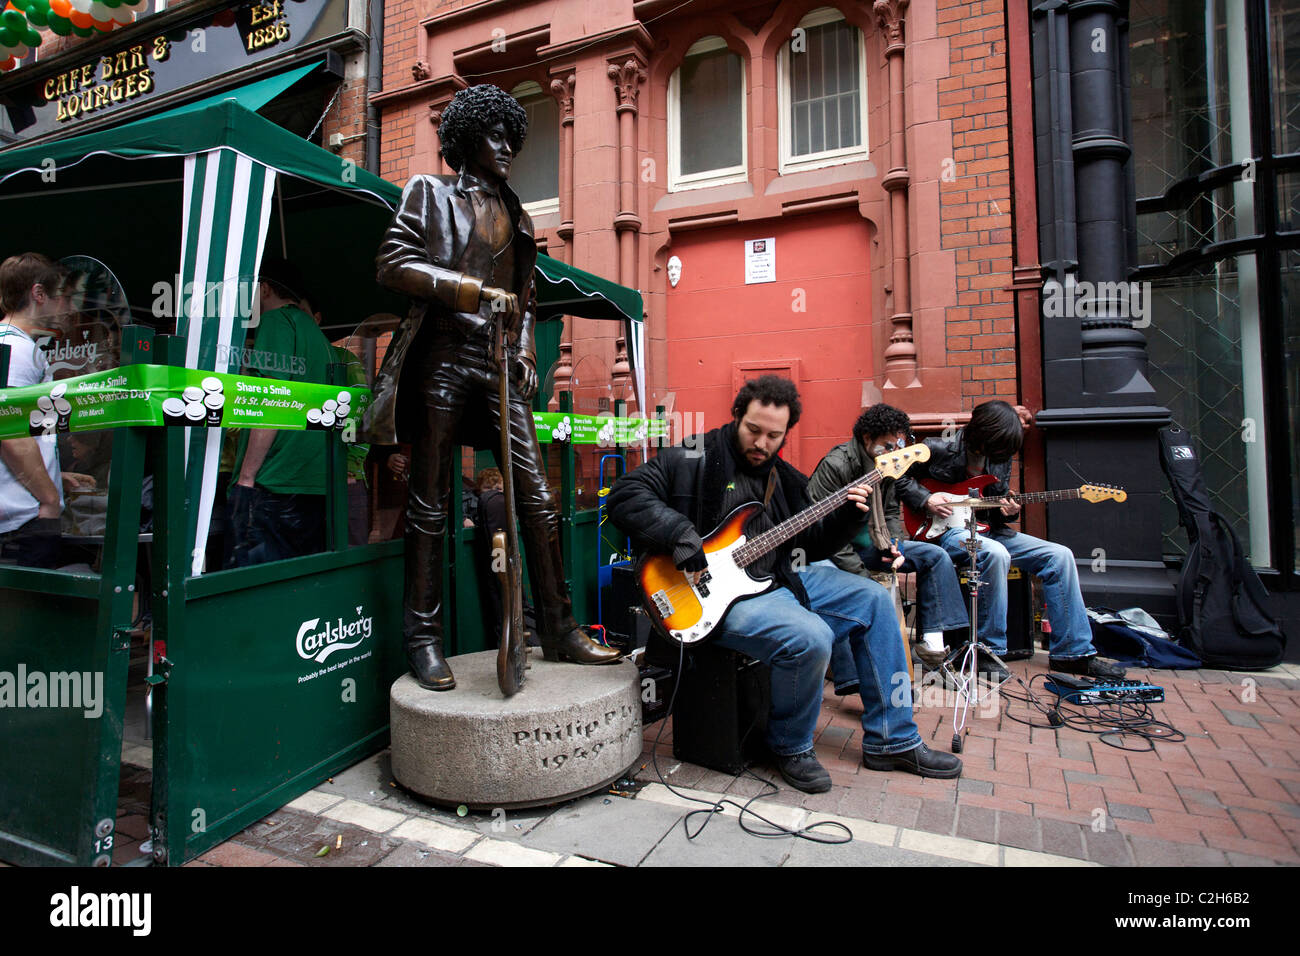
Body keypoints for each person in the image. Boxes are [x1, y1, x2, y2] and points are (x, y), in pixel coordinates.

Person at [364, 83, 619, 691]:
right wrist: (470, 290)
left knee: (536, 495)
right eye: (493, 134)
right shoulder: (429, 193)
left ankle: (559, 627)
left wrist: (528, 349)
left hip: (499, 363)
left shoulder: (522, 216)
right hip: (444, 359)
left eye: (512, 136)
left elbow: (527, 299)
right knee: (428, 501)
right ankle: (423, 639)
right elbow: (392, 263)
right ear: (464, 138)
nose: (505, 146)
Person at [606, 375, 962, 792]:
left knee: (873, 598)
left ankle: (892, 738)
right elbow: (625, 494)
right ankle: (790, 745)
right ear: (737, 416)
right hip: (708, 597)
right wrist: (679, 534)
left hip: (772, 580)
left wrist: (847, 518)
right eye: (753, 430)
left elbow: (808, 545)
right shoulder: (694, 455)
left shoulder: (786, 480)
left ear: (785, 434)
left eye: (773, 436)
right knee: (810, 636)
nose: (761, 443)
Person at [893, 399, 1126, 678]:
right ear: (982, 436)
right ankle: (988, 651)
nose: (1003, 454)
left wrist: (1007, 510)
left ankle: (1072, 653)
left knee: (1059, 555)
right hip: (944, 532)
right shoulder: (935, 448)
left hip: (986, 530)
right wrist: (927, 498)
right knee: (994, 553)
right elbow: (893, 477)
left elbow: (993, 507)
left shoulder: (999, 457)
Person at [809, 403, 972, 693]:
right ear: (867, 437)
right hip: (830, 551)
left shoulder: (889, 464)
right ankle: (852, 677)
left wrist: (895, 545)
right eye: (888, 444)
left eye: (898, 443)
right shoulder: (836, 465)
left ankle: (933, 644)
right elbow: (820, 531)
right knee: (854, 587)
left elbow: (892, 511)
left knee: (935, 555)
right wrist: (861, 574)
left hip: (874, 542)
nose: (894, 449)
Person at [226, 258, 335, 567]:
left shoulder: (275, 322)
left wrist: (246, 478)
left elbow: (271, 400)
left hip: (273, 482)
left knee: (251, 592)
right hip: (314, 482)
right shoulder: (317, 336)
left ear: (264, 289)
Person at [0, 253, 76, 568]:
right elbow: (10, 433)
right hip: (20, 519)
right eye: (63, 298)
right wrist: (48, 497)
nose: (68, 308)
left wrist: (55, 476)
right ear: (38, 294)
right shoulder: (15, 351)